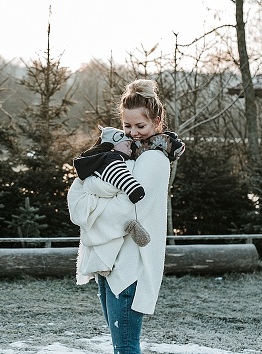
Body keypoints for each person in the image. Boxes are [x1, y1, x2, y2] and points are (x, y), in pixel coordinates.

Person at [67, 79, 184, 354]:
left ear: (157, 123)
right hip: (109, 262)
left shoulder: (154, 160)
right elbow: (81, 189)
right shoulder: (125, 154)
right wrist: (95, 183)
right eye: (127, 126)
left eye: (140, 126)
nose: (133, 133)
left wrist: (91, 190)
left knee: (126, 346)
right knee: (120, 343)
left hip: (130, 266)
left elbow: (127, 208)